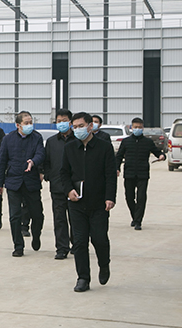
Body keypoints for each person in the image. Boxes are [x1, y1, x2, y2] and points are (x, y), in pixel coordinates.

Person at [60, 112, 117, 292]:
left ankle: (104, 264)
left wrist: (110, 197)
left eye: (81, 126)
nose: (78, 130)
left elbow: (110, 174)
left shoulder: (104, 147)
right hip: (77, 203)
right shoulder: (70, 148)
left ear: (90, 126)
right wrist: (69, 190)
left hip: (99, 203)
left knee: (99, 239)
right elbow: (64, 173)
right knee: (79, 242)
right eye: (75, 127)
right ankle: (83, 277)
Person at [0, 111, 45, 257]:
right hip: (13, 181)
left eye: (31, 122)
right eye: (26, 123)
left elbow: (41, 154)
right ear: (18, 125)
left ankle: (36, 235)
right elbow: (2, 161)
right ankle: (18, 246)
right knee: (14, 216)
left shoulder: (37, 137)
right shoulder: (8, 139)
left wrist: (33, 161)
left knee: (37, 214)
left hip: (31, 181)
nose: (29, 125)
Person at [115, 117, 165, 230]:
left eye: (140, 127)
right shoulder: (126, 142)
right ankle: (135, 216)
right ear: (131, 128)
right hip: (129, 173)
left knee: (141, 198)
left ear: (143, 128)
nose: (137, 129)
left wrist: (162, 156)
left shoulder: (148, 142)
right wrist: (116, 168)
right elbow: (119, 156)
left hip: (143, 174)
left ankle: (138, 221)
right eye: (135, 127)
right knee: (129, 197)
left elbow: (157, 152)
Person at [43, 109, 76, 259]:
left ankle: (77, 244)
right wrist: (48, 175)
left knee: (75, 218)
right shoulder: (51, 142)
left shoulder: (77, 140)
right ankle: (62, 248)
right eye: (58, 121)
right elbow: (46, 162)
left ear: (70, 122)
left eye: (64, 121)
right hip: (57, 186)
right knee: (59, 219)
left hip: (75, 187)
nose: (61, 123)